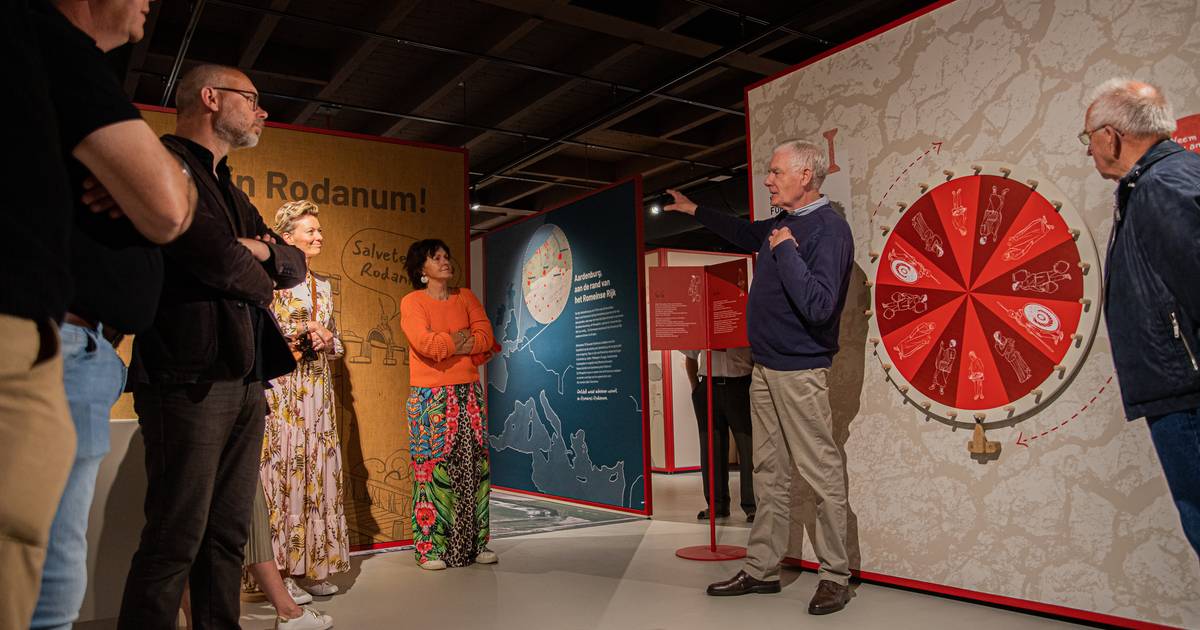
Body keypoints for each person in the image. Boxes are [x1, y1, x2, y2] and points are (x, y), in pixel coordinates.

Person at [28, 1, 198, 628]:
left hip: (76, 347)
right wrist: (162, 178)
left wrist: (163, 173)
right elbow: (170, 210)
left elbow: (170, 195)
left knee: (45, 563)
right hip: (58, 345)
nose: (150, 2)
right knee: (44, 575)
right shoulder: (56, 46)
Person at [119, 64, 306, 629]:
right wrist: (255, 259)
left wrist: (258, 253)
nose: (262, 112)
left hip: (244, 379)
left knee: (226, 537)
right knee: (175, 538)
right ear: (209, 97)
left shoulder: (230, 189)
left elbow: (292, 267)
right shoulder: (164, 165)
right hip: (186, 378)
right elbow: (215, 261)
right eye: (251, 99)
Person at [665, 139, 855, 615]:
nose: (767, 180)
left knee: (820, 472)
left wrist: (787, 251)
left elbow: (819, 305)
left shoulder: (828, 231)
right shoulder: (783, 224)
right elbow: (745, 232)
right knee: (768, 472)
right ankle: (761, 569)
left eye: (774, 172)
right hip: (765, 369)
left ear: (805, 176)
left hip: (800, 370)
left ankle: (836, 576)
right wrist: (695, 210)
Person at [1081, 78, 1200, 557]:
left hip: (1187, 392)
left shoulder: (1161, 186)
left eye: (1087, 139)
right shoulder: (1166, 179)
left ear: (1111, 136)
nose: (1089, 153)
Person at [0, 2, 79, 626]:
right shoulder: (45, 39)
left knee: (38, 541)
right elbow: (166, 206)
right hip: (26, 332)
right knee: (28, 535)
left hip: (45, 333)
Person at [261, 200, 351, 598]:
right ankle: (278, 573)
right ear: (287, 238)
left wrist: (329, 339)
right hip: (282, 391)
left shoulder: (325, 287)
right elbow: (257, 339)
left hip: (317, 391)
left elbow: (338, 345)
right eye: (309, 231)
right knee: (283, 474)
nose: (318, 236)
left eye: (319, 230)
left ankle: (311, 566)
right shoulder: (267, 285)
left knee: (316, 472)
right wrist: (290, 340)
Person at [399, 239, 496, 570]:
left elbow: (485, 338)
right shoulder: (412, 302)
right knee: (431, 470)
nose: (445, 261)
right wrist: (459, 339)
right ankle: (430, 548)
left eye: (446, 255)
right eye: (435, 258)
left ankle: (475, 544)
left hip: (468, 392)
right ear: (421, 270)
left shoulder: (465, 296)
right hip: (429, 396)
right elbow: (425, 344)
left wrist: (449, 343)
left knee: (474, 467)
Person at [680, 348, 756, 522]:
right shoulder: (704, 323)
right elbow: (691, 356)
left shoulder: (743, 321)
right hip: (708, 387)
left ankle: (752, 506)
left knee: (749, 448)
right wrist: (696, 388)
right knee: (711, 448)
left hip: (742, 385)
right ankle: (716, 505)